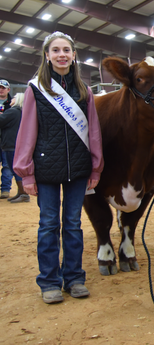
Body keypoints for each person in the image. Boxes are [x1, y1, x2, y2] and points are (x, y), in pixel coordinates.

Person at [13, 31, 104, 304]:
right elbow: (27, 131)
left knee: (73, 225)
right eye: (56, 50)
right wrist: (26, 172)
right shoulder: (35, 89)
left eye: (66, 50)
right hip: (45, 169)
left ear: (74, 55)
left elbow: (94, 133)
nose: (62, 54)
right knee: (49, 225)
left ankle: (74, 278)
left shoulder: (84, 90)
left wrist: (96, 168)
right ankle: (50, 282)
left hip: (78, 168)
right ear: (47, 55)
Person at [0, 92, 28, 203]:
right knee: (15, 169)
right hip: (16, 144)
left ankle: (23, 193)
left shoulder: (12, 111)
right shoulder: (21, 112)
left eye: (14, 97)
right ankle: (21, 192)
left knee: (15, 170)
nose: (12, 98)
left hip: (10, 145)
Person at [0, 79, 14, 199]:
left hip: (7, 139)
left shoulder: (13, 103)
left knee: (7, 165)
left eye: (3, 88)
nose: (1, 90)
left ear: (8, 89)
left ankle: (5, 189)